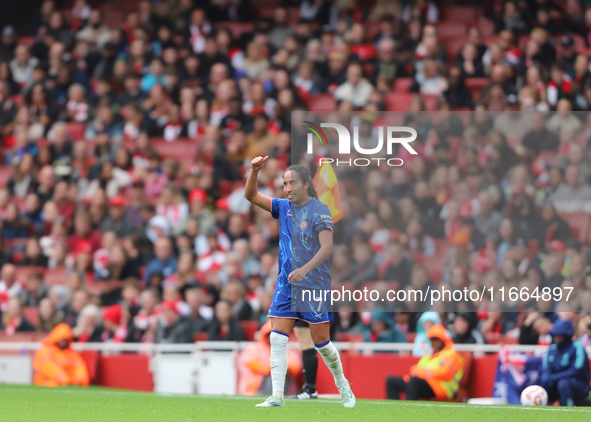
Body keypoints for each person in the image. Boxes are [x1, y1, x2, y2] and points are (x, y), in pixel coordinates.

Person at [244, 156, 355, 408]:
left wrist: (305, 269)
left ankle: (343, 386)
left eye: (292, 182)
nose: (288, 188)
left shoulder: (320, 211)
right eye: (284, 183)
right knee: (277, 337)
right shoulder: (283, 207)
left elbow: (327, 248)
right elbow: (250, 195)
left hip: (313, 284)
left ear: (306, 184)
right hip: (286, 284)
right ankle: (277, 396)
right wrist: (254, 171)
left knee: (322, 344)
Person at [386, 324, 465, 401]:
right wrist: (425, 373)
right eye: (432, 340)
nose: (434, 343)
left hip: (443, 388)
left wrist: (425, 373)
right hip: (426, 384)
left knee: (413, 382)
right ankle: (395, 411)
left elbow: (446, 373)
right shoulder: (429, 356)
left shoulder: (451, 354)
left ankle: (409, 412)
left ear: (443, 341)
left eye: (437, 340)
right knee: (391, 381)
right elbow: (414, 370)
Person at [239, 321, 303, 396]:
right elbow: (250, 362)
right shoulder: (255, 348)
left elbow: (296, 366)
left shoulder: (285, 349)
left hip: (281, 382)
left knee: (280, 375)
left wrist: (284, 369)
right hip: (257, 386)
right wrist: (272, 368)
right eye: (270, 334)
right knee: (272, 375)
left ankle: (278, 397)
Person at [539, 319, 590, 406]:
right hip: (556, 382)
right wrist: (548, 378)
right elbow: (546, 370)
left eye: (560, 335)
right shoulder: (552, 349)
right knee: (541, 384)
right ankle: (541, 412)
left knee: (563, 384)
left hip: (578, 384)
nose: (557, 338)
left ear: (567, 335)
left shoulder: (577, 347)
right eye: (555, 335)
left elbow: (576, 371)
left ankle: (567, 411)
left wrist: (553, 378)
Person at [32, 323, 89, 387]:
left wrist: (81, 380)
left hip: (68, 383)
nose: (64, 342)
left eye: (66, 340)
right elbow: (48, 366)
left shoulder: (71, 352)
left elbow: (79, 366)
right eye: (62, 339)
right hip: (48, 382)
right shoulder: (46, 350)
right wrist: (63, 378)